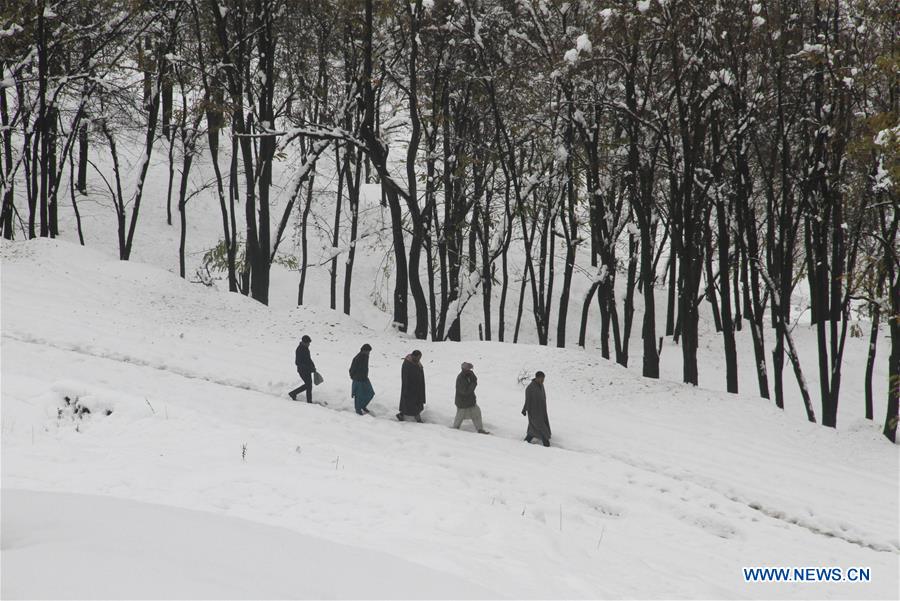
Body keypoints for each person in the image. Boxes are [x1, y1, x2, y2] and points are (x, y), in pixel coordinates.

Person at [453, 362, 489, 434]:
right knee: (459, 418)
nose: (470, 370)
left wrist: (472, 378)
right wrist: (473, 384)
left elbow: (474, 380)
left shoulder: (469, 374)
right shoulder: (460, 378)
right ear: (464, 370)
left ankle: (480, 429)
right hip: (462, 403)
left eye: (470, 369)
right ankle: (454, 430)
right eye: (469, 369)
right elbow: (465, 392)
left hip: (470, 402)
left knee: (477, 413)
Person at [522, 371, 551, 447]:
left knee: (534, 428)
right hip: (534, 412)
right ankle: (546, 443)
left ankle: (527, 440)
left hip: (541, 411)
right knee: (541, 427)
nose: (543, 381)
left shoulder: (541, 385)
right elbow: (527, 400)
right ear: (537, 378)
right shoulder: (530, 388)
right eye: (541, 379)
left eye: (543, 379)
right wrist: (524, 409)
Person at [397, 350, 426, 422]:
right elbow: (405, 377)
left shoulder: (417, 362)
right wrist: (406, 388)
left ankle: (402, 414)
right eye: (418, 357)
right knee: (412, 403)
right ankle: (417, 418)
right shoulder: (407, 364)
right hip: (410, 388)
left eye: (420, 358)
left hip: (417, 387)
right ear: (414, 356)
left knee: (414, 403)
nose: (419, 359)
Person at [289, 335, 317, 403]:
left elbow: (308, 359)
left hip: (308, 370)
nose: (309, 344)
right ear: (304, 342)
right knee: (308, 385)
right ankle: (307, 400)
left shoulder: (306, 348)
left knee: (308, 385)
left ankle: (294, 393)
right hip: (302, 371)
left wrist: (313, 366)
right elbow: (297, 362)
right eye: (308, 343)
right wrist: (308, 368)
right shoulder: (299, 350)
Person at [349, 344, 375, 415]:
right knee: (358, 395)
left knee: (371, 393)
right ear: (364, 351)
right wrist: (354, 377)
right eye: (368, 351)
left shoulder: (366, 356)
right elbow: (351, 369)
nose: (369, 353)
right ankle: (358, 410)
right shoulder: (357, 358)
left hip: (365, 378)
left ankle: (363, 406)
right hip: (358, 379)